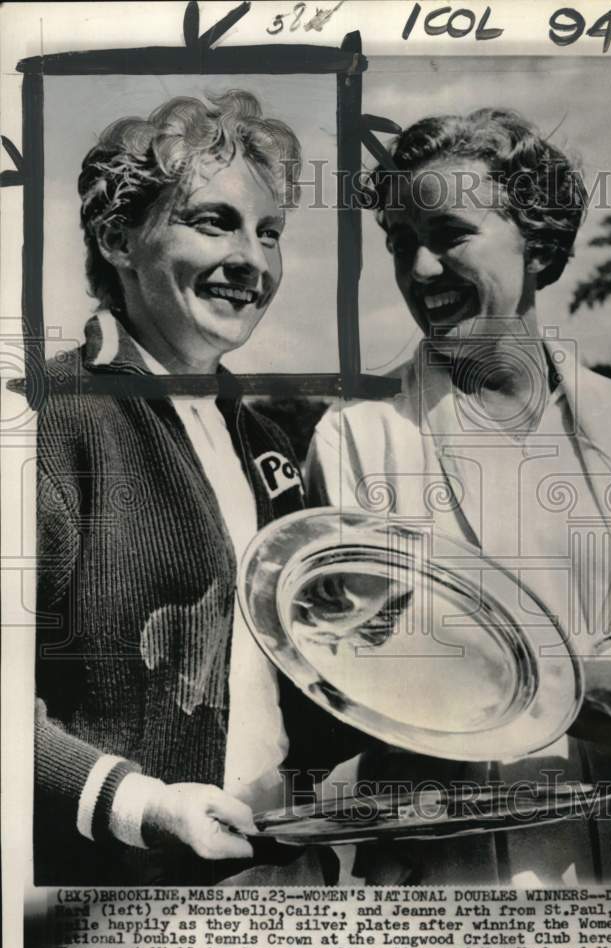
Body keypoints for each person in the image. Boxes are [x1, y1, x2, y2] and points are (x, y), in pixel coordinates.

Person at [306, 108, 611, 884]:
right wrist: (561, 690)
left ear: (540, 244)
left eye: (449, 234)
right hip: (447, 882)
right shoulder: (358, 435)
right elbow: (359, 668)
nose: (419, 270)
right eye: (399, 242)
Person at [35, 91, 365, 886]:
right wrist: (140, 804)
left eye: (270, 232)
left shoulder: (263, 440)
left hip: (289, 884)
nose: (253, 260)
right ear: (117, 238)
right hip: (121, 909)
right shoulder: (51, 421)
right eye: (214, 221)